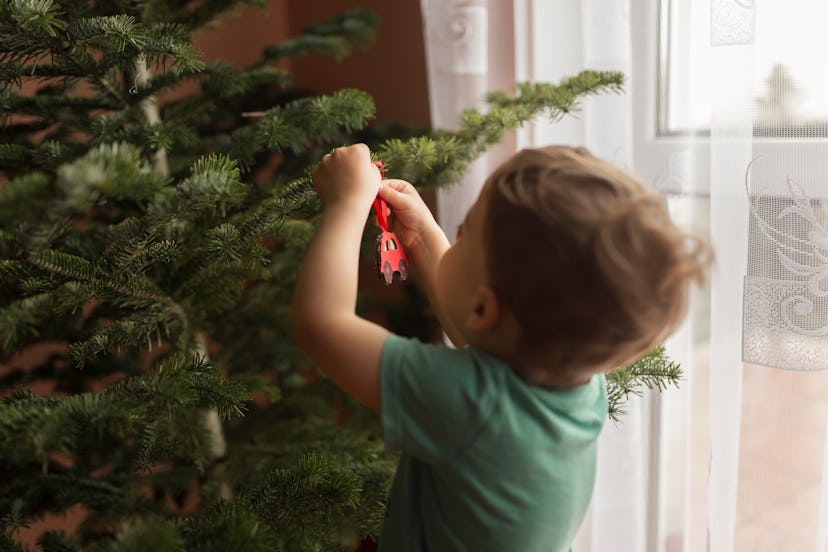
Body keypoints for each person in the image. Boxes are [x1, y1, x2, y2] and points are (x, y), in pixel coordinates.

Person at [291, 143, 711, 551]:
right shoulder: (580, 383)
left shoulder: (472, 405)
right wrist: (421, 238)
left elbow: (321, 325)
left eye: (463, 232)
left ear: (484, 306)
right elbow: (479, 326)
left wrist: (346, 203)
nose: (453, 237)